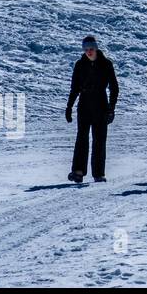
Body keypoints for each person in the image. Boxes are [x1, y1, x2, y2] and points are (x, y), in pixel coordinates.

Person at [65, 35, 119, 183]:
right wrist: (69, 107)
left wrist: (111, 108)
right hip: (84, 105)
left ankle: (99, 173)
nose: (89, 52)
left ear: (96, 48)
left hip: (101, 104)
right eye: (86, 49)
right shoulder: (79, 64)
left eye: (91, 49)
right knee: (81, 138)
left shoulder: (106, 64)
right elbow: (74, 88)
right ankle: (78, 171)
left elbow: (114, 87)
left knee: (99, 140)